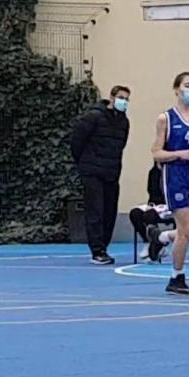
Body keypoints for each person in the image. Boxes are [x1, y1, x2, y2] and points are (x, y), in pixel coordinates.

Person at [146, 66, 189, 294]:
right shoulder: (166, 118)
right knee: (185, 230)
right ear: (177, 90)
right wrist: (180, 154)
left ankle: (161, 237)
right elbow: (156, 153)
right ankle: (176, 278)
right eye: (187, 86)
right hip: (175, 175)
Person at [70, 85, 131, 265]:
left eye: (127, 99)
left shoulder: (123, 122)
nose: (124, 102)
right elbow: (77, 141)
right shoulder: (93, 117)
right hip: (92, 171)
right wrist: (85, 163)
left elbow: (121, 145)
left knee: (109, 211)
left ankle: (104, 246)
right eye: (121, 98)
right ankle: (97, 250)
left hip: (111, 171)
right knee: (95, 210)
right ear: (112, 98)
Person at [128, 163, 173, 262]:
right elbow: (151, 191)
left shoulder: (173, 172)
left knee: (150, 215)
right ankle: (149, 241)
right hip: (154, 205)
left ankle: (157, 244)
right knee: (135, 213)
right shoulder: (153, 172)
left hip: (170, 205)